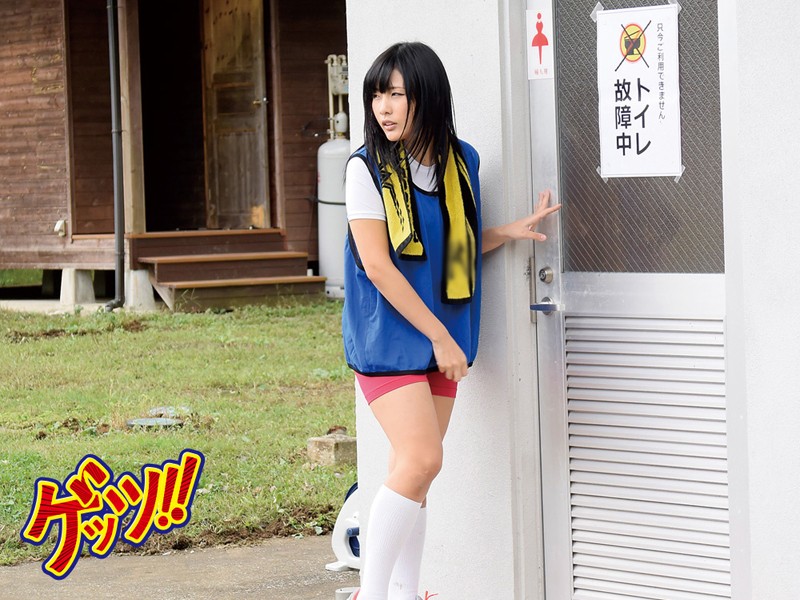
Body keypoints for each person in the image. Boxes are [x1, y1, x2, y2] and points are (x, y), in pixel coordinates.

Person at [341, 42, 560, 600]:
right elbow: (378, 266)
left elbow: (451, 247)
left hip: (444, 337)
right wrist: (439, 337)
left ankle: (405, 591)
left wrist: (506, 232)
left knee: (415, 472)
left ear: (428, 97)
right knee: (422, 459)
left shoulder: (462, 163)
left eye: (396, 94)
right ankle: (372, 594)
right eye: (377, 95)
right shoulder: (366, 168)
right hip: (390, 336)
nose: (383, 107)